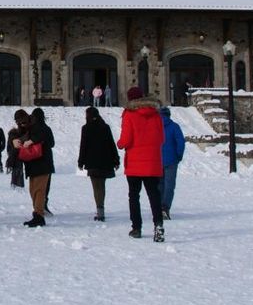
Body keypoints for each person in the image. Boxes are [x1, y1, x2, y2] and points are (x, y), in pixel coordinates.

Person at [117, 86, 166, 242]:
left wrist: (119, 144)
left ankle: (136, 227)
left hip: (135, 164)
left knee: (134, 196)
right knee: (154, 196)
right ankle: (158, 225)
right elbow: (161, 139)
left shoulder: (129, 115)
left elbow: (126, 140)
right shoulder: (156, 115)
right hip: (152, 163)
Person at [77, 106, 119, 221]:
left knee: (96, 186)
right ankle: (101, 209)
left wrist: (81, 161)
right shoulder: (105, 127)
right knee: (102, 186)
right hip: (105, 161)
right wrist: (116, 159)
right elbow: (111, 144)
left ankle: (100, 211)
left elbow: (83, 146)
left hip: (92, 162)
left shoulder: (86, 128)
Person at [15, 106, 54, 227]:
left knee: (38, 190)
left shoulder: (41, 128)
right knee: (34, 190)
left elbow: (49, 141)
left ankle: (39, 215)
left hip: (41, 164)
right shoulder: (34, 128)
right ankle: (37, 213)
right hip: (36, 164)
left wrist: (32, 141)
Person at [158, 106, 185, 220]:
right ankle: (165, 207)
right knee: (170, 185)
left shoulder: (155, 127)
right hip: (172, 160)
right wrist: (179, 155)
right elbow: (180, 142)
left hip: (158, 160)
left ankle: (158, 206)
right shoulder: (175, 127)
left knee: (159, 185)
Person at [6, 111, 30, 188]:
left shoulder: (31, 128)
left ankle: (17, 184)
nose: (19, 123)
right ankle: (17, 184)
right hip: (18, 157)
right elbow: (12, 148)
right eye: (18, 121)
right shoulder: (14, 133)